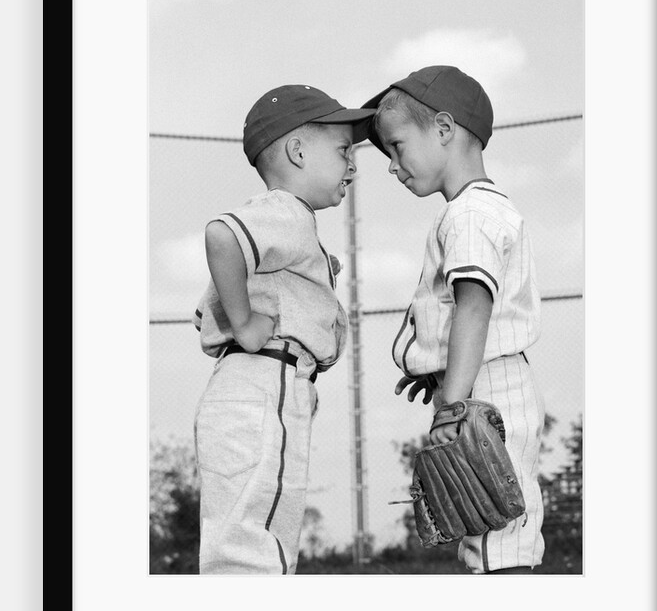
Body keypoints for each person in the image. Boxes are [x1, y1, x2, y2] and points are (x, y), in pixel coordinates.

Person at [362, 65, 545, 574]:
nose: (392, 165)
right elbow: (465, 309)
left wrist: (455, 401)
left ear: (443, 129)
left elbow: (473, 306)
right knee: (492, 532)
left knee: (495, 537)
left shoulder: (466, 215)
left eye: (396, 146)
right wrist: (443, 368)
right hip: (487, 380)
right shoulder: (484, 208)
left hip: (485, 389)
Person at [192, 84, 374, 574]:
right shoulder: (287, 212)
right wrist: (248, 325)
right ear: (297, 151)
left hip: (254, 385)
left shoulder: (287, 224)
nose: (353, 166)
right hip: (262, 378)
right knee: (253, 552)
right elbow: (222, 234)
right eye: (343, 151)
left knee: (249, 540)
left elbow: (208, 305)